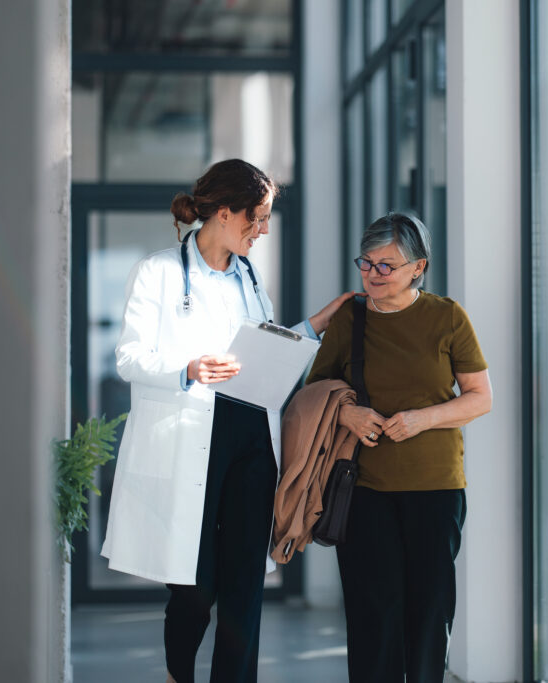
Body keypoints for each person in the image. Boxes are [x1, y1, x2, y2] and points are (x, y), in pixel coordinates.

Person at [99, 158, 354, 683]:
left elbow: (264, 347)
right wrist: (187, 368)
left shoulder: (250, 280)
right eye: (255, 219)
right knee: (196, 587)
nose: (262, 230)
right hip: (191, 434)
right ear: (221, 211)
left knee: (243, 587)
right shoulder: (159, 272)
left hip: (251, 437)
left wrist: (315, 325)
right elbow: (128, 358)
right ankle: (178, 674)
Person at [305, 212, 492, 682]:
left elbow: (480, 398)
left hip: (434, 486)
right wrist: (347, 413)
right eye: (366, 263)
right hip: (362, 487)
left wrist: (422, 419)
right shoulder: (351, 318)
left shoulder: (448, 317)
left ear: (418, 267)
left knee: (429, 611)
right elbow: (315, 391)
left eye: (387, 265)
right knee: (373, 614)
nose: (373, 274)